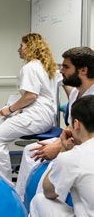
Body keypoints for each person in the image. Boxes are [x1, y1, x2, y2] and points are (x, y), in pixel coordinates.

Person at [16, 46, 94, 200]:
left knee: (49, 173)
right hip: (73, 142)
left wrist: (59, 149)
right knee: (31, 151)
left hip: (86, 150)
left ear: (83, 70)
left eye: (66, 67)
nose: (61, 71)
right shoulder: (75, 94)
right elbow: (71, 129)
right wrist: (58, 144)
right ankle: (21, 198)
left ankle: (39, 198)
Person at [0, 33, 61, 185]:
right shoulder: (47, 67)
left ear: (30, 47)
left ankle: (3, 184)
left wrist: (10, 109)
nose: (18, 49)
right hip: (43, 117)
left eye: (21, 46)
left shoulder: (30, 67)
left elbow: (30, 96)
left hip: (35, 117)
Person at [30, 95, 94, 217]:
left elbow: (49, 192)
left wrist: (64, 151)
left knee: (39, 201)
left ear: (76, 124)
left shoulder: (73, 157)